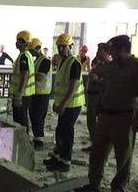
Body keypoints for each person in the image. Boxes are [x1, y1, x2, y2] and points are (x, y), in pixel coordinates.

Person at [75, 35, 138, 192]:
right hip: (105, 115)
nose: (109, 53)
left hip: (125, 117)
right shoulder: (111, 66)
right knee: (97, 153)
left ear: (123, 49)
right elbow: (96, 73)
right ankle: (93, 183)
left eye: (112, 49)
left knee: (123, 156)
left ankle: (118, 190)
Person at [44, 33, 85, 172]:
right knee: (60, 130)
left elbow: (73, 87)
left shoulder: (74, 63)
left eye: (64, 46)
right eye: (59, 47)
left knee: (67, 132)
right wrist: (58, 103)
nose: (61, 49)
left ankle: (65, 162)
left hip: (72, 104)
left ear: (70, 47)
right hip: (65, 104)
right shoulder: (63, 61)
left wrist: (63, 104)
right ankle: (57, 157)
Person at [83, 42, 111, 151]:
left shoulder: (110, 65)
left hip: (100, 96)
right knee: (91, 121)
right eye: (97, 50)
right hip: (92, 95)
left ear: (106, 52)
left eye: (100, 51)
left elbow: (110, 81)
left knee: (100, 123)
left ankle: (100, 146)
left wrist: (98, 80)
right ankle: (94, 143)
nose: (97, 53)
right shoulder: (97, 63)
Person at [9, 31, 35, 131]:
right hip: (24, 94)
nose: (18, 43)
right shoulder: (26, 55)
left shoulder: (24, 56)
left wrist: (19, 95)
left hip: (22, 95)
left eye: (21, 41)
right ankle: (23, 140)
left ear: (26, 43)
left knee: (20, 120)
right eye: (18, 40)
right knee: (21, 119)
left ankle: (23, 141)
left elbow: (25, 75)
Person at [29, 38, 51, 150]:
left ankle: (40, 141)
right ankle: (36, 138)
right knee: (34, 116)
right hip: (35, 93)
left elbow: (40, 77)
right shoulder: (36, 60)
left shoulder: (45, 61)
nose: (31, 52)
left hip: (42, 94)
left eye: (32, 50)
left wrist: (27, 75)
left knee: (38, 117)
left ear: (38, 48)